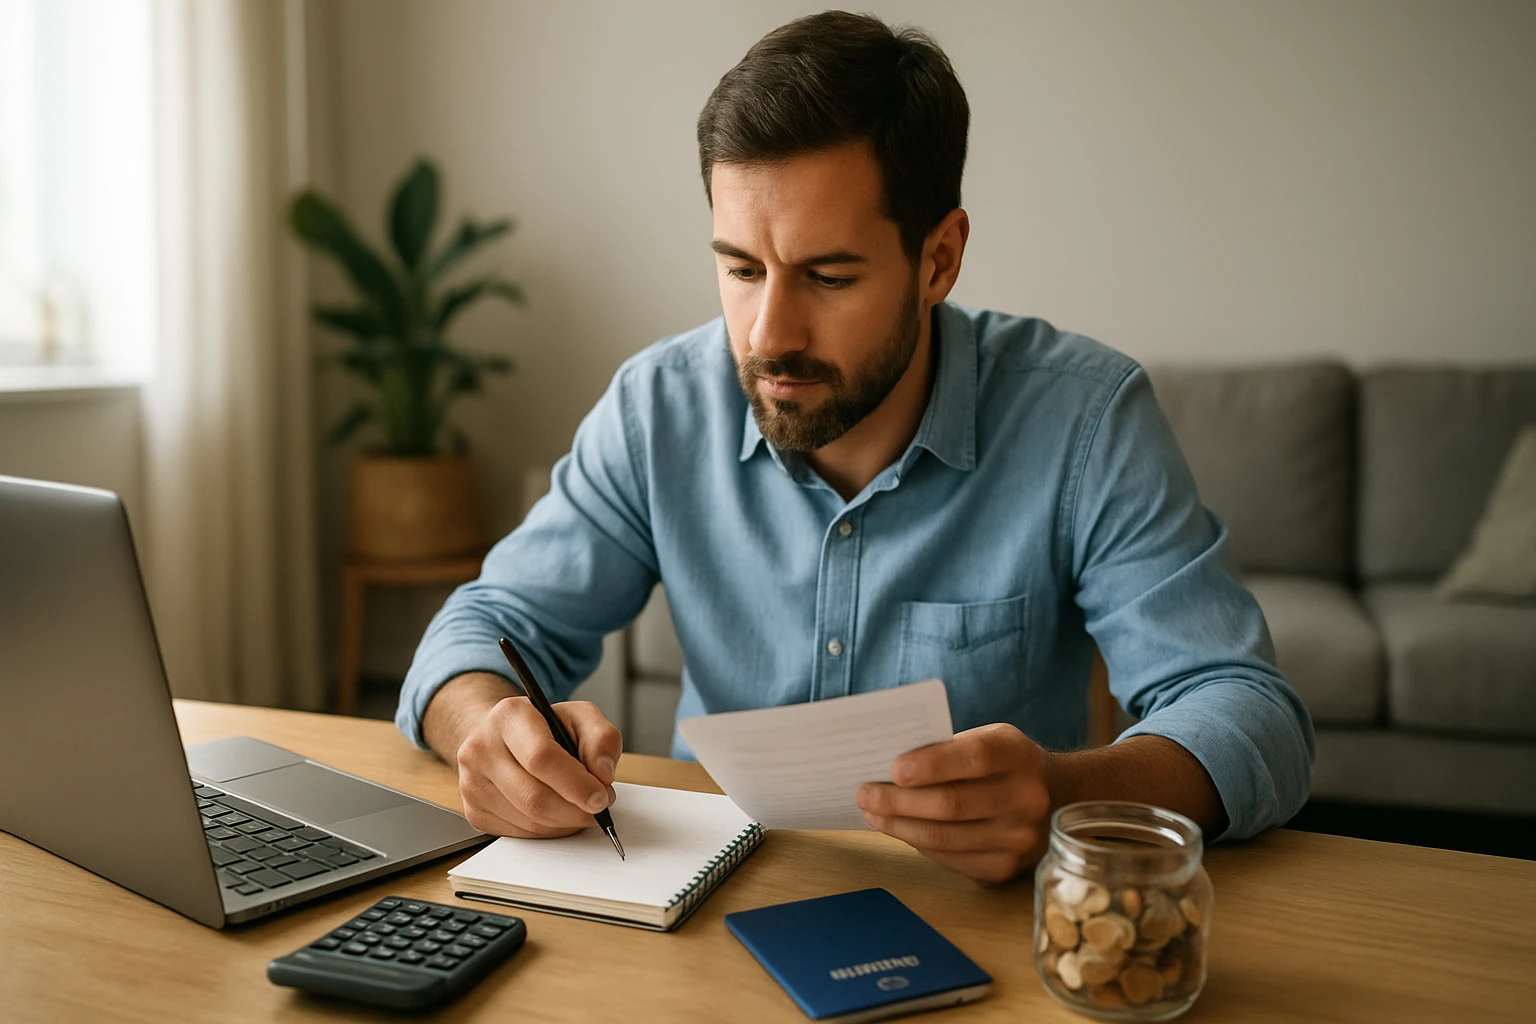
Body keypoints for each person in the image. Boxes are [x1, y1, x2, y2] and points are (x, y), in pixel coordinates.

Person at [397, 11, 1313, 884]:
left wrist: (1066, 792)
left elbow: (1250, 712)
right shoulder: (657, 408)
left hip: (985, 925)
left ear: (939, 259)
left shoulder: (1084, 420)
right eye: (740, 269)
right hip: (704, 904)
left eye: (828, 276)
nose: (768, 334)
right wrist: (489, 730)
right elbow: (478, 631)